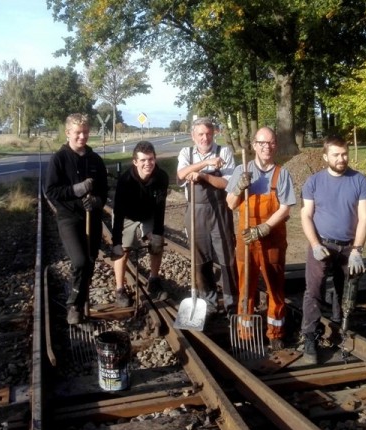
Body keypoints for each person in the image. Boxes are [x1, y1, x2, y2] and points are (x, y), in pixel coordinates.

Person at [300, 135, 366, 364]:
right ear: (325, 157)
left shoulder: (360, 181)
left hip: (349, 245)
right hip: (322, 243)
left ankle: (340, 325)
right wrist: (315, 245)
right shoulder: (313, 182)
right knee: (314, 290)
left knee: (346, 290)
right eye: (336, 155)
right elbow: (306, 215)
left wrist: (357, 250)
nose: (341, 159)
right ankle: (310, 336)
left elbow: (364, 218)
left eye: (344, 154)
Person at [226, 127, 296, 351]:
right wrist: (238, 187)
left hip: (272, 239)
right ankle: (245, 333)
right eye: (262, 143)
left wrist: (264, 227)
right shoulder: (242, 170)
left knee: (275, 288)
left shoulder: (281, 173)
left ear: (275, 145)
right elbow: (230, 203)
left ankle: (275, 333)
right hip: (246, 241)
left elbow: (285, 209)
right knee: (246, 288)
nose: (267, 147)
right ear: (254, 145)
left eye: (271, 143)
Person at [45, 113, 109, 325]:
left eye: (85, 132)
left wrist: (98, 201)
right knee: (80, 261)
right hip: (69, 218)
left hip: (92, 217)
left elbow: (104, 190)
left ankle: (80, 306)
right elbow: (52, 191)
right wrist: (76, 190)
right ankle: (73, 304)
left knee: (90, 263)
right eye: (78, 133)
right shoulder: (59, 159)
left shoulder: (95, 160)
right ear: (68, 133)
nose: (82, 136)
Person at [176, 117, 238, 317]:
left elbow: (228, 184)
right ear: (193, 136)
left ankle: (232, 304)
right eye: (201, 134)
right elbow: (180, 175)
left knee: (227, 257)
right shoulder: (186, 152)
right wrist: (205, 163)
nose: (205, 138)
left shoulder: (224, 152)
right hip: (195, 211)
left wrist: (202, 176)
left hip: (220, 209)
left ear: (214, 134)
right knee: (200, 258)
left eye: (208, 134)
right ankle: (208, 303)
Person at [111, 141, 169, 304]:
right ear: (135, 162)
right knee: (123, 249)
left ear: (155, 159)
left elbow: (160, 208)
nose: (147, 164)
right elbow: (119, 211)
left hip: (148, 215)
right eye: (143, 160)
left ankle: (154, 280)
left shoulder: (161, 177)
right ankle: (120, 289)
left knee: (157, 243)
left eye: (150, 159)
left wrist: (157, 233)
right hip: (127, 216)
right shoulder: (126, 180)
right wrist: (116, 241)